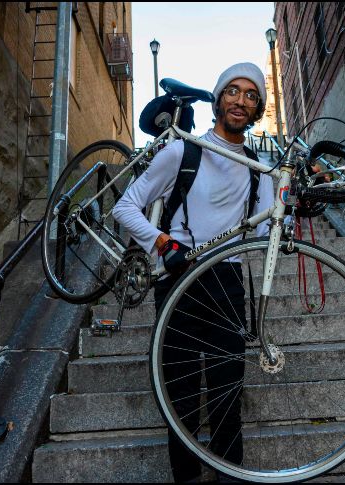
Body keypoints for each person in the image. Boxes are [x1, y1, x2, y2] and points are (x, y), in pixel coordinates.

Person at [113, 63, 274, 482]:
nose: (240, 100)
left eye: (251, 95)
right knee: (181, 398)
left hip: (228, 282)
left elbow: (268, 226)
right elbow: (125, 206)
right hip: (178, 279)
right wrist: (163, 243)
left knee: (227, 396)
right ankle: (185, 477)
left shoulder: (261, 168)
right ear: (218, 99)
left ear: (257, 109)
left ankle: (229, 477)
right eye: (233, 91)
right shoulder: (182, 152)